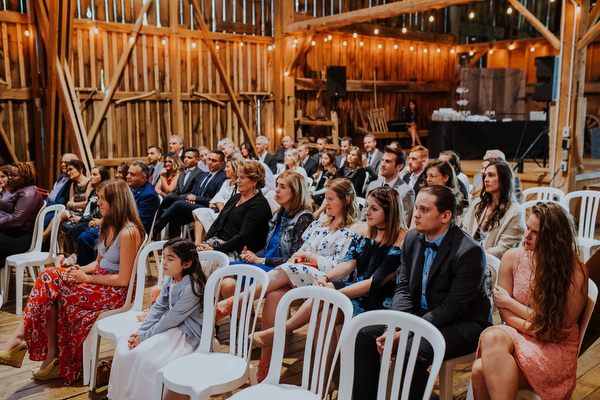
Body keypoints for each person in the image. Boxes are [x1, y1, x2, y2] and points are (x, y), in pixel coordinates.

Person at [353, 185, 492, 399]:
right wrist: (395, 324)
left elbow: (453, 308)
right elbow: (404, 289)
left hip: (462, 325)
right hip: (420, 314)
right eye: (416, 207)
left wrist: (407, 331)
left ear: (445, 215)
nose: (415, 214)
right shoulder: (412, 238)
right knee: (364, 334)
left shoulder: (469, 252)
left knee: (409, 351)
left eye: (424, 210)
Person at [0, 179, 145, 384]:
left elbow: (124, 279)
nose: (98, 203)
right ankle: (50, 357)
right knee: (50, 279)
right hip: (100, 282)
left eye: (103, 199)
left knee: (49, 279)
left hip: (116, 292)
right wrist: (77, 271)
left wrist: (86, 278)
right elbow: (96, 263)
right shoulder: (109, 225)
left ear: (117, 201)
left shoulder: (129, 231)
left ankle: (22, 342)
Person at [215, 178, 357, 381]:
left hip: (325, 278)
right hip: (301, 271)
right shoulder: (321, 223)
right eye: (325, 198)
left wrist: (310, 259)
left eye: (331, 199)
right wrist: (301, 257)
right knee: (274, 296)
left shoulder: (353, 229)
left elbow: (340, 265)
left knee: (284, 270)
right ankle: (267, 360)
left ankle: (233, 302)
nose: (326, 203)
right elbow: (301, 251)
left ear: (347, 200)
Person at [252, 186, 407, 349]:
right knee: (324, 312)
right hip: (354, 288)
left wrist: (333, 293)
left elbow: (372, 283)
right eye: (367, 206)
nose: (367, 212)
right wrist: (326, 278)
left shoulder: (401, 241)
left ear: (390, 212)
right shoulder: (366, 231)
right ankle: (320, 374)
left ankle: (280, 331)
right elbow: (348, 263)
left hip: (377, 296)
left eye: (374, 208)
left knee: (324, 296)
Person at [471, 202, 589, 400]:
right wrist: (535, 326)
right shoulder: (512, 258)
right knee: (491, 337)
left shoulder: (575, 271)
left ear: (555, 239)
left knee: (479, 369)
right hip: (519, 333)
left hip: (553, 351)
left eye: (536, 232)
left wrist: (510, 302)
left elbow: (557, 330)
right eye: (527, 227)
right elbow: (506, 315)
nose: (526, 236)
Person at [107, 238, 207, 400]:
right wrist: (141, 332)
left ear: (186, 264)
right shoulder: (171, 278)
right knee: (125, 344)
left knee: (148, 358)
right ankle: (120, 395)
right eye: (163, 257)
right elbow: (158, 307)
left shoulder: (191, 287)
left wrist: (145, 337)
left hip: (186, 332)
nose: (164, 263)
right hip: (170, 325)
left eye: (170, 258)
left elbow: (172, 319)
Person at [76, 162, 159, 265]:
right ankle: (83, 270)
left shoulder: (149, 195)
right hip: (115, 225)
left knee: (98, 242)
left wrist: (107, 226)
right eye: (128, 173)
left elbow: (139, 221)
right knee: (83, 238)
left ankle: (99, 271)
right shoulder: (130, 189)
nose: (128, 176)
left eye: (132, 174)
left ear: (143, 177)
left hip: (130, 231)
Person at [240, 170, 315, 271]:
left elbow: (295, 258)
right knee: (225, 273)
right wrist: (251, 256)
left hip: (279, 270)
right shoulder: (278, 214)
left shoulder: (304, 218)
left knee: (227, 280)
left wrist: (260, 260)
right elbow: (269, 249)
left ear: (295, 192)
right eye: (277, 185)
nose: (276, 190)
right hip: (264, 264)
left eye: (282, 187)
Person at [196, 160, 271, 260]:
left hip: (238, 251)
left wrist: (214, 250)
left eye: (242, 177)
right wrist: (204, 244)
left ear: (255, 181)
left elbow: (243, 237)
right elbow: (217, 223)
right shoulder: (235, 198)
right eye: (238, 177)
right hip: (218, 244)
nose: (238, 181)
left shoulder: (259, 204)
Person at [154, 150, 227, 238]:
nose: (210, 163)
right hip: (194, 205)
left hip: (207, 208)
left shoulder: (223, 178)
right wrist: (191, 198)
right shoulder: (203, 175)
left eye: (214, 161)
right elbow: (193, 192)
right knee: (175, 217)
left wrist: (196, 198)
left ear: (222, 163)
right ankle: (175, 244)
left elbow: (216, 200)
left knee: (177, 202)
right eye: (209, 159)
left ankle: (156, 228)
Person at [463, 159, 525, 259]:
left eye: (491, 175)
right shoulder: (478, 204)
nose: (486, 179)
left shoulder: (514, 211)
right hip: (471, 256)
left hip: (494, 263)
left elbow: (505, 249)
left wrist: (476, 255)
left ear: (504, 179)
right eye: (485, 176)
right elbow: (465, 232)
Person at [0, 162, 44, 269]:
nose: (10, 178)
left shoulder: (29, 192)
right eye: (9, 175)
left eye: (14, 176)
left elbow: (17, 219)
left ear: (26, 177)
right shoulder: (17, 190)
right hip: (10, 233)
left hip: (21, 238)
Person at [192, 156, 243, 245]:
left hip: (230, 213)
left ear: (235, 168)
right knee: (200, 211)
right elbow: (214, 200)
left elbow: (234, 202)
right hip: (220, 211)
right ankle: (198, 242)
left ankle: (205, 244)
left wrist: (220, 204)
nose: (225, 169)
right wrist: (220, 205)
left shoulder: (240, 185)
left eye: (228, 167)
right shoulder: (226, 182)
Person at [60, 166, 109, 250]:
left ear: (102, 176)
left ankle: (76, 253)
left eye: (95, 175)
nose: (91, 177)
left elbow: (97, 212)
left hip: (92, 220)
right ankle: (69, 253)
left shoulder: (104, 192)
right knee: (64, 226)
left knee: (76, 228)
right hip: (85, 218)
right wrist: (79, 216)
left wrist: (81, 219)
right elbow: (86, 207)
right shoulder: (93, 191)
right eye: (91, 174)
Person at [42, 159, 91, 243]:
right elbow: (69, 204)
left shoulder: (89, 183)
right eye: (67, 170)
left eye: (71, 169)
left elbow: (86, 203)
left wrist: (74, 204)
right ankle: (66, 252)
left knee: (62, 214)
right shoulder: (73, 184)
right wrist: (75, 205)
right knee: (62, 224)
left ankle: (43, 236)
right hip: (74, 212)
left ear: (80, 169)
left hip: (84, 213)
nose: (68, 173)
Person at [365, 145, 414, 226]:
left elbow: (403, 223)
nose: (382, 164)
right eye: (382, 160)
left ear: (399, 166)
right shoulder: (373, 185)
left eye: (387, 161)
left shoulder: (406, 192)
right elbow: (364, 216)